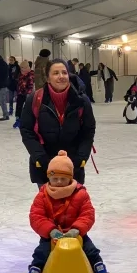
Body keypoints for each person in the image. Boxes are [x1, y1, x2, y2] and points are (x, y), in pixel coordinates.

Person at [16, 150, 117, 273]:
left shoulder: (80, 194)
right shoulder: (43, 195)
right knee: (41, 254)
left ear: (70, 178)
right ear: (48, 177)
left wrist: (77, 229)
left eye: (63, 179)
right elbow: (36, 216)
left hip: (76, 235)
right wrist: (50, 230)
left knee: (92, 252)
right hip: (51, 236)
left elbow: (87, 214)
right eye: (54, 178)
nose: (58, 182)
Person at [20, 58, 95, 187]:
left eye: (64, 72)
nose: (61, 76)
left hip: (73, 167)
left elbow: (88, 131)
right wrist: (41, 158)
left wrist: (80, 159)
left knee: (73, 206)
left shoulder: (81, 100)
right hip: (44, 167)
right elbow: (27, 130)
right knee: (47, 206)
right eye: (55, 73)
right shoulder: (35, 99)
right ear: (48, 78)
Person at [13, 61, 34, 129]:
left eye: (22, 68)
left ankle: (31, 120)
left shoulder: (30, 74)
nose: (21, 70)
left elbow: (31, 85)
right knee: (19, 106)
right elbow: (18, 83)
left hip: (28, 94)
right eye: (21, 68)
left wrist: (28, 93)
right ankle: (18, 119)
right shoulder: (20, 74)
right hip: (20, 93)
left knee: (29, 107)